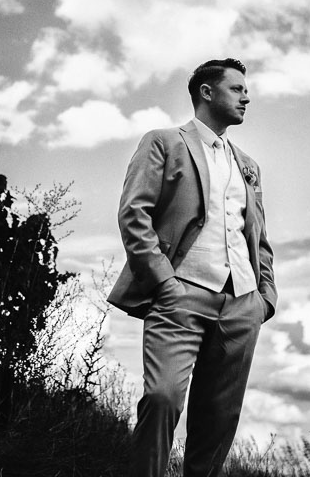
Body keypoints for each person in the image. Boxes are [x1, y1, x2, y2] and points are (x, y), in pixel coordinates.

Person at [107, 58, 277, 477]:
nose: (246, 97)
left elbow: (258, 237)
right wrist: (164, 283)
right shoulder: (163, 142)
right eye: (237, 89)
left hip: (242, 304)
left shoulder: (249, 165)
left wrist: (264, 298)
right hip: (178, 294)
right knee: (162, 398)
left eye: (246, 90)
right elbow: (134, 215)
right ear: (206, 91)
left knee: (219, 419)